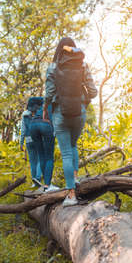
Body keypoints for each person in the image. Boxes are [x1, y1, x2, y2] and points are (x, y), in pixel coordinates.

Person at [43, 37, 97, 206]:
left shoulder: (53, 67)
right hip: (79, 112)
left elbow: (49, 94)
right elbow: (93, 92)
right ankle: (75, 179)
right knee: (73, 145)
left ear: (58, 50)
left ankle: (71, 194)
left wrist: (46, 109)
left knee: (66, 152)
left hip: (61, 113)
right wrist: (82, 100)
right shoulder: (82, 66)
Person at [27, 97, 59, 192]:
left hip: (33, 125)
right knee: (49, 157)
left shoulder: (40, 105)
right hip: (45, 124)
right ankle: (48, 185)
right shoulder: (53, 102)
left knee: (41, 156)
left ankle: (46, 185)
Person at [20, 104, 41, 187]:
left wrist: (21, 142)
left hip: (28, 140)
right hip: (38, 139)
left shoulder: (24, 115)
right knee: (40, 159)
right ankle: (38, 178)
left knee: (33, 162)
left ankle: (34, 181)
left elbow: (23, 130)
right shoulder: (39, 113)